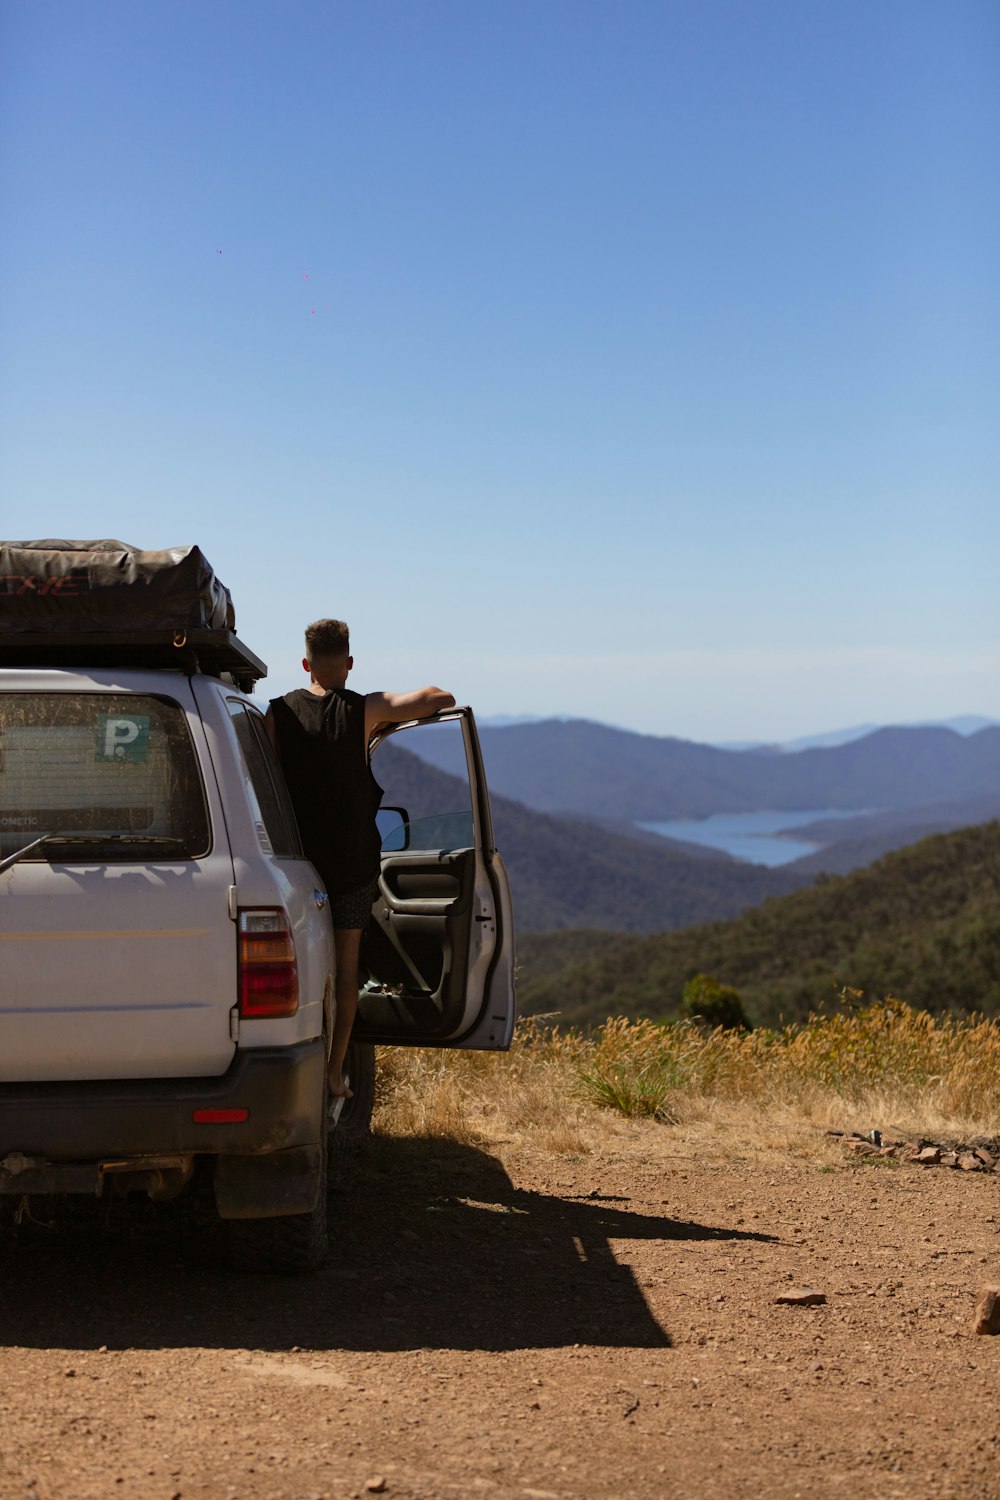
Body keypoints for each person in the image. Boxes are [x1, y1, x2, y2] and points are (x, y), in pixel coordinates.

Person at [266, 618, 455, 1102]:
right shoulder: (363, 709)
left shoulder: (276, 715)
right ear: (349, 663)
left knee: (294, 968)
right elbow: (441, 698)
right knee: (345, 969)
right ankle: (332, 1074)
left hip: (294, 867)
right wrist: (376, 726)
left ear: (305, 663)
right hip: (350, 868)